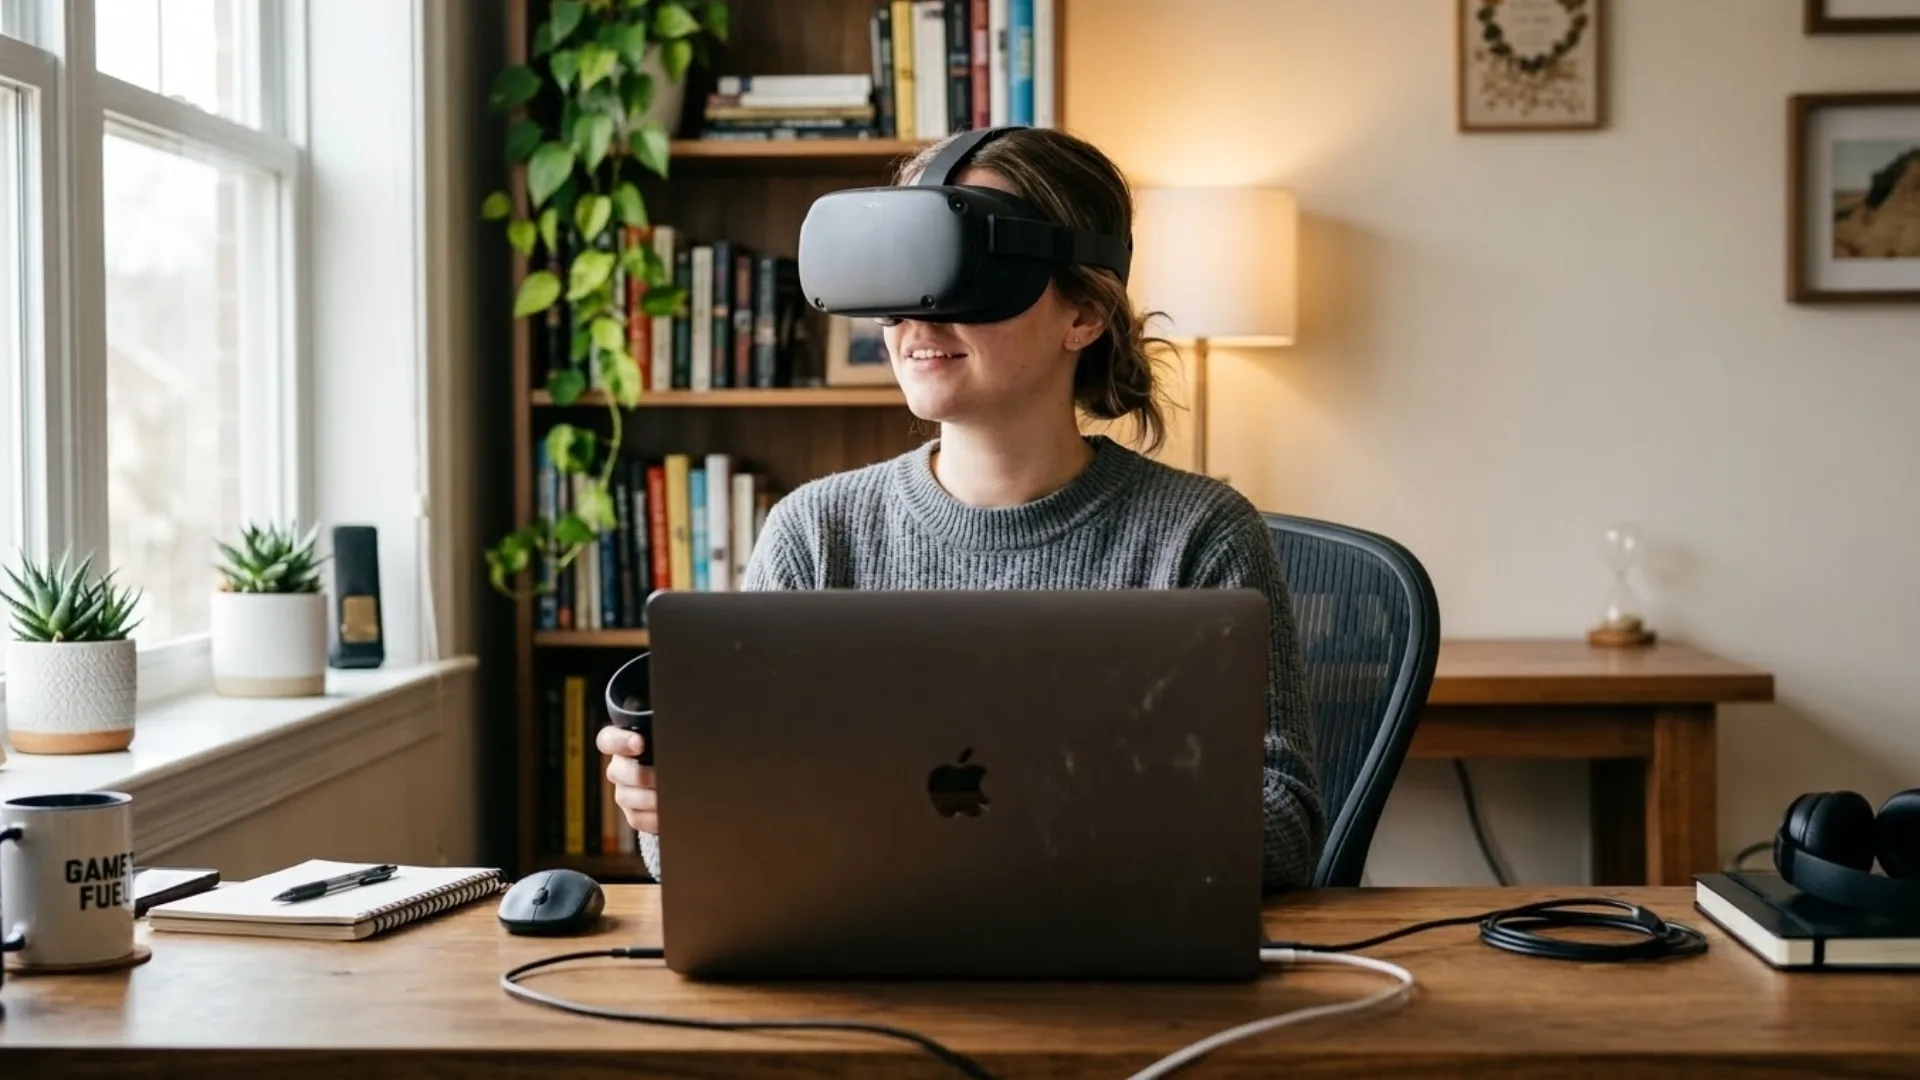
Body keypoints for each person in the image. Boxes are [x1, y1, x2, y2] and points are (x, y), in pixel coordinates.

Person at [596, 126, 1327, 892]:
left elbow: (1282, 826)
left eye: (965, 271)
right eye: (902, 269)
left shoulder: (1199, 537)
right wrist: (672, 810)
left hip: (1110, 982)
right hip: (859, 966)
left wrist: (1020, 825)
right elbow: (702, 854)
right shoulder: (816, 534)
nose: (920, 316)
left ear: (1085, 314)